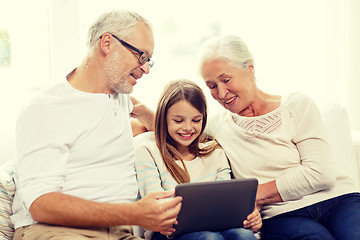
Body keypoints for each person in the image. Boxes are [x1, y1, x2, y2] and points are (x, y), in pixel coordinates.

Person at [11, 10, 182, 240]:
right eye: (142, 56)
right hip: (56, 230)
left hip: (119, 232)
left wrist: (144, 112)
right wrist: (135, 213)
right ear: (108, 43)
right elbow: (41, 204)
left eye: (149, 60)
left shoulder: (119, 98)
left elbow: (159, 129)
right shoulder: (47, 107)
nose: (146, 68)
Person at [197, 34, 360, 240]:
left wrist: (255, 194)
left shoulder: (296, 105)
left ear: (250, 69)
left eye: (226, 80)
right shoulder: (217, 124)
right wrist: (142, 113)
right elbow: (172, 123)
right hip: (282, 215)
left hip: (339, 199)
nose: (221, 93)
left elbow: (321, 173)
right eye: (211, 86)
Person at [134, 79, 262, 240]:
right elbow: (155, 203)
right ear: (163, 118)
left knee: (243, 235)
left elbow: (226, 203)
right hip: (167, 233)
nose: (188, 128)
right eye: (178, 121)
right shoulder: (147, 152)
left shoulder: (216, 153)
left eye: (196, 120)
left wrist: (250, 216)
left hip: (216, 227)